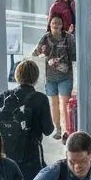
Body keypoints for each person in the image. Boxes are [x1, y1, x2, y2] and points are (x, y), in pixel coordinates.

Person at [0, 60, 56, 180]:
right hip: (31, 158)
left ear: (17, 76)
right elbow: (48, 130)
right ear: (36, 78)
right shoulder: (40, 99)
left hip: (7, 158)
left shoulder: (5, 97)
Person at [33, 13, 76, 141]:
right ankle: (58, 128)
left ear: (62, 25)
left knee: (64, 104)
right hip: (50, 77)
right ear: (49, 25)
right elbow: (35, 53)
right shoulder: (45, 39)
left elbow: (74, 55)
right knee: (54, 104)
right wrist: (42, 54)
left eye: (58, 23)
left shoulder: (68, 38)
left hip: (65, 76)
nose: (56, 26)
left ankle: (66, 130)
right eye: (53, 23)